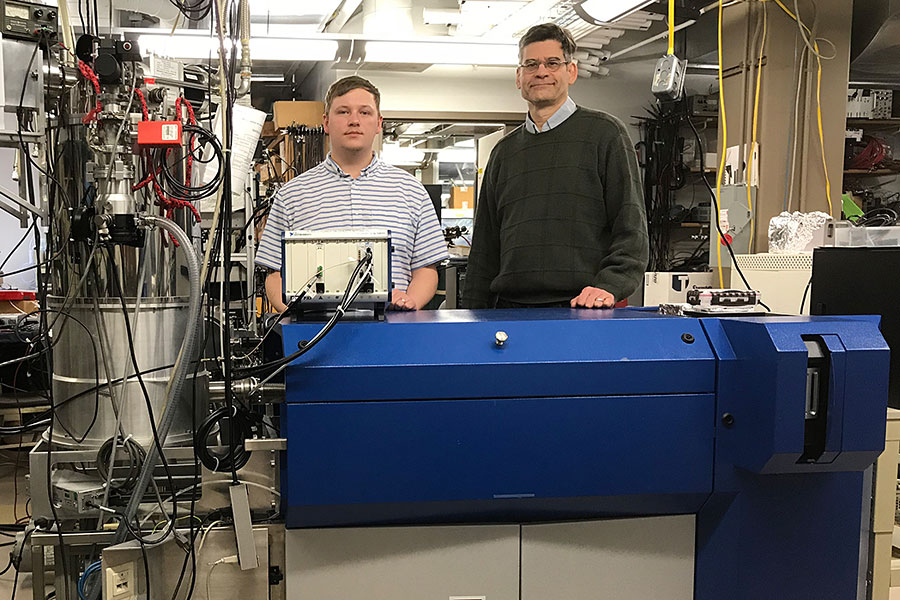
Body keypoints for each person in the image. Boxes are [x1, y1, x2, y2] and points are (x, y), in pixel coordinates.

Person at [463, 23, 649, 309]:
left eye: (552, 63)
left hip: (583, 309)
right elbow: (484, 250)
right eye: (531, 64)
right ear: (518, 76)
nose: (541, 72)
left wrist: (608, 286)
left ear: (570, 71)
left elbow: (631, 231)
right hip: (510, 311)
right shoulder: (503, 153)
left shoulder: (606, 135)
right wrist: (471, 318)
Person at [256, 76, 449, 312]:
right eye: (343, 112)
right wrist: (296, 319)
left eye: (365, 113)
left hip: (393, 332)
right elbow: (275, 274)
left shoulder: (411, 191)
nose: (354, 121)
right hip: (317, 336)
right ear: (326, 122)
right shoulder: (292, 195)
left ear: (379, 124)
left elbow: (426, 270)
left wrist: (411, 302)